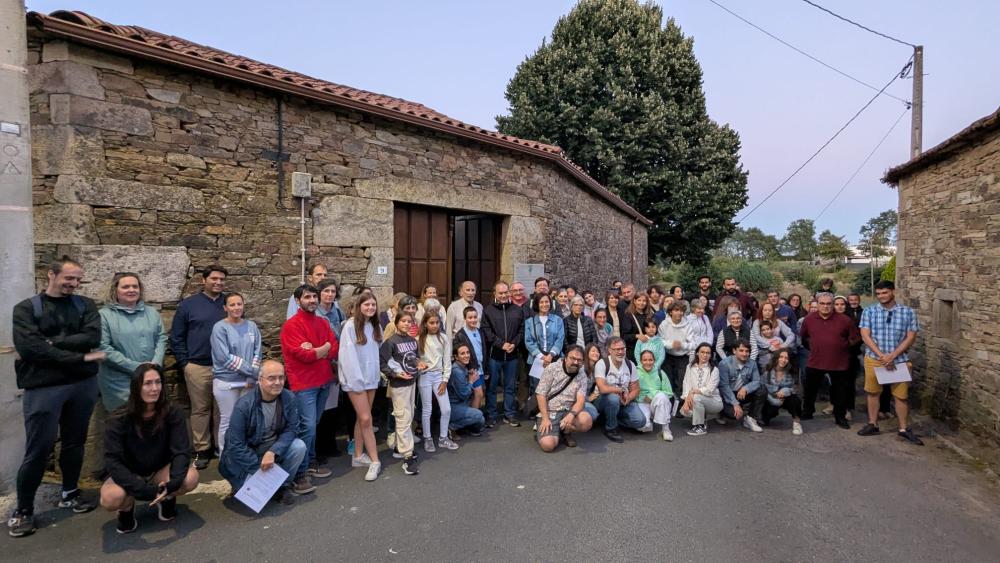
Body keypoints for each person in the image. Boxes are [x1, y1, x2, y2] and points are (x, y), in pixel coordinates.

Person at [9, 256, 105, 538]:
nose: (73, 284)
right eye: (68, 279)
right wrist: (79, 356)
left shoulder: (85, 305)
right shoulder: (26, 309)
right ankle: (24, 510)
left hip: (82, 385)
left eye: (77, 280)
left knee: (74, 443)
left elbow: (93, 337)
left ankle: (70, 492)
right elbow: (30, 350)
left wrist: (51, 344)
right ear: (51, 274)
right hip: (43, 388)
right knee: (38, 449)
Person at [100, 364, 199, 533]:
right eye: (147, 383)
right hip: (130, 472)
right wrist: (144, 491)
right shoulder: (118, 419)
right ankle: (126, 509)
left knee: (191, 478)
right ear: (136, 386)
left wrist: (171, 485)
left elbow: (181, 451)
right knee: (111, 498)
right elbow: (112, 461)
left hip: (160, 469)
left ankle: (166, 498)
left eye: (158, 382)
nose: (154, 388)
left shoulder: (173, 412)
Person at [219, 360, 314, 504]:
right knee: (251, 496)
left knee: (299, 446)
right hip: (248, 454)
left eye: (281, 377)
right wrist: (259, 467)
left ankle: (282, 485)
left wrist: (273, 452)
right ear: (260, 380)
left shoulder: (288, 398)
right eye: (272, 378)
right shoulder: (244, 405)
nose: (278, 382)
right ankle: (270, 482)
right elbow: (235, 445)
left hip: (271, 449)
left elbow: (292, 429)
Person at [280, 285, 339, 485]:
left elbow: (334, 349)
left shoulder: (323, 322)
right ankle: (300, 473)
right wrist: (322, 348)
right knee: (307, 427)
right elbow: (304, 355)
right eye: (307, 297)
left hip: (323, 381)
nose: (312, 300)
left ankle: (310, 462)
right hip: (304, 384)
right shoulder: (292, 325)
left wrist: (318, 349)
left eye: (314, 296)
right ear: (298, 301)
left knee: (312, 425)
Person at [170, 265, 227, 469]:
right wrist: (185, 363)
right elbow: (176, 337)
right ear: (204, 280)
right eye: (214, 278)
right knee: (200, 409)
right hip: (197, 365)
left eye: (221, 279)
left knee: (222, 409)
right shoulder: (189, 305)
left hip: (224, 367)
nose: (218, 282)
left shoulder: (229, 303)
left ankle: (221, 446)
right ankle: (202, 449)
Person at [857, 281, 923, 445]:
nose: (881, 296)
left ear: (893, 292)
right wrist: (882, 356)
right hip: (874, 358)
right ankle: (873, 424)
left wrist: (893, 355)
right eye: (878, 293)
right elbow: (865, 335)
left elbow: (911, 336)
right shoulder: (869, 311)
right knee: (873, 392)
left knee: (901, 396)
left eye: (885, 293)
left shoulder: (907, 312)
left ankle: (903, 429)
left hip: (899, 360)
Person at [98, 272, 167, 412]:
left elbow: (161, 338)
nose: (131, 290)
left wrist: (155, 364)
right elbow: (102, 347)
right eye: (126, 287)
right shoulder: (104, 315)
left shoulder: (151, 313)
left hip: (150, 378)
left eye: (135, 286)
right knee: (124, 422)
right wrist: (135, 367)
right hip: (119, 383)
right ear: (115, 290)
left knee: (151, 421)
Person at [338, 291, 384, 481]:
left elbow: (375, 351)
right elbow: (347, 356)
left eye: (373, 305)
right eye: (367, 305)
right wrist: (356, 382)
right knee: (367, 419)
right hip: (355, 380)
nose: (370, 308)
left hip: (371, 379)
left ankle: (358, 456)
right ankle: (375, 460)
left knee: (360, 418)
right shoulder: (350, 326)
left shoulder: (375, 326)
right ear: (359, 306)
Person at [211, 292, 262, 457]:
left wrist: (250, 377)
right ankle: (225, 455)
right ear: (225, 307)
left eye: (239, 304)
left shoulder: (252, 326)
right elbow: (224, 357)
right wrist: (253, 372)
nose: (236, 308)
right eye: (232, 305)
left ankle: (244, 453)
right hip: (226, 382)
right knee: (228, 419)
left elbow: (257, 352)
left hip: (248, 382)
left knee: (247, 419)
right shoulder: (220, 328)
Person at [798, 292, 859, 429]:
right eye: (822, 303)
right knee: (810, 389)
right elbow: (804, 337)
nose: (825, 306)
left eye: (828, 304)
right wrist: (814, 347)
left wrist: (843, 347)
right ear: (817, 304)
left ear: (833, 305)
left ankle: (840, 417)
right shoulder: (809, 319)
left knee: (840, 392)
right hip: (816, 360)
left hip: (839, 362)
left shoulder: (844, 320)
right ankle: (808, 412)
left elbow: (855, 338)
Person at [481, 281, 527, 428]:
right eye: (500, 293)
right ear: (495, 294)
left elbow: (522, 329)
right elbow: (486, 331)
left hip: (512, 355)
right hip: (495, 355)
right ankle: (491, 415)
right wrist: (501, 344)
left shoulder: (517, 310)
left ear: (509, 293)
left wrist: (514, 343)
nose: (503, 295)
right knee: (492, 387)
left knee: (510, 387)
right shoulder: (488, 311)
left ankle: (509, 414)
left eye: (505, 292)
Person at [380, 312, 421, 475]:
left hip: (412, 382)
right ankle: (407, 457)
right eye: (403, 321)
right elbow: (382, 363)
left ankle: (399, 446)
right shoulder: (390, 342)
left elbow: (414, 358)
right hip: (399, 385)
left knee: (409, 415)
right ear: (396, 323)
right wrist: (395, 374)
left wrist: (420, 364)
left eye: (409, 322)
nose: (406, 324)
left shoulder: (412, 341)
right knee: (403, 417)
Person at [535, 345, 594, 452]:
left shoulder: (582, 374)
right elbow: (540, 394)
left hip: (568, 411)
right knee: (548, 446)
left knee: (586, 421)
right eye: (573, 358)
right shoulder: (552, 368)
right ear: (566, 357)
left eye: (579, 360)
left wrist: (572, 414)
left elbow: (580, 400)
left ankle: (565, 432)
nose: (576, 362)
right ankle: (550, 431)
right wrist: (545, 418)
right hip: (550, 411)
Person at [416, 312, 458, 452]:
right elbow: (414, 359)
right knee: (427, 409)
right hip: (425, 376)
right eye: (431, 323)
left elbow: (447, 361)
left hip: (438, 377)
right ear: (425, 324)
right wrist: (419, 365)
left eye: (437, 322)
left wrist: (445, 380)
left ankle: (443, 438)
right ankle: (427, 438)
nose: (434, 325)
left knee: (446, 409)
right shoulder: (419, 339)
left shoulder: (444, 338)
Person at [593, 337, 647, 442]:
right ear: (609, 350)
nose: (620, 352)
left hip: (623, 401)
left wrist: (629, 398)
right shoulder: (602, 363)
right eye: (617, 349)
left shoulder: (630, 364)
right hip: (603, 401)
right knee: (613, 398)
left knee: (640, 421)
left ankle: (609, 419)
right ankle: (610, 428)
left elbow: (636, 388)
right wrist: (621, 391)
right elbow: (602, 389)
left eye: (623, 349)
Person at [717, 340, 765, 432]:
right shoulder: (724, 364)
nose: (744, 354)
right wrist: (735, 403)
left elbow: (756, 381)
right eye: (741, 350)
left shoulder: (752, 363)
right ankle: (721, 412)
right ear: (734, 351)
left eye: (747, 351)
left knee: (762, 389)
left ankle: (750, 419)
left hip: (741, 393)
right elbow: (724, 386)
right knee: (734, 415)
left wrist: (745, 388)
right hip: (728, 395)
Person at [524, 294, 565, 400]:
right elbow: (528, 341)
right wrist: (542, 356)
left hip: (555, 358)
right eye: (541, 302)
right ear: (537, 304)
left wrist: (550, 355)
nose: (544, 304)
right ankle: (536, 411)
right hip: (536, 360)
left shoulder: (558, 320)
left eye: (547, 302)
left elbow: (560, 339)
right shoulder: (530, 321)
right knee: (537, 388)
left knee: (555, 386)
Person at [680, 343, 723, 436]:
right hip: (696, 398)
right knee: (685, 411)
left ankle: (700, 426)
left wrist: (693, 392)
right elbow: (686, 383)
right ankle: (702, 418)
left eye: (708, 353)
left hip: (714, 402)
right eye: (702, 352)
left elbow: (709, 390)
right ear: (697, 353)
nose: (705, 355)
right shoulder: (690, 367)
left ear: (711, 355)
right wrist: (686, 399)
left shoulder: (714, 369)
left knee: (696, 398)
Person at [761, 349, 803, 435]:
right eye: (781, 357)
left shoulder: (793, 372)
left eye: (786, 358)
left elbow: (796, 388)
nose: (783, 360)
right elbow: (761, 388)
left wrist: (786, 391)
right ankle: (765, 416)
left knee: (795, 400)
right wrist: (774, 401)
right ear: (776, 358)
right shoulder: (767, 371)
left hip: (786, 397)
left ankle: (797, 422)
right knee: (767, 416)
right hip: (771, 398)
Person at [448, 343, 486, 436]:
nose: (466, 355)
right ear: (456, 357)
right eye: (462, 353)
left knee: (481, 421)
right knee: (478, 415)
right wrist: (471, 381)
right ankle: (451, 426)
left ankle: (462, 427)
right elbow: (464, 394)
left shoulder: (463, 367)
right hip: (453, 406)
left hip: (462, 404)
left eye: (467, 352)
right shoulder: (456, 371)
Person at [636, 350, 675, 441]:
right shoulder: (636, 372)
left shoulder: (660, 373)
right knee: (644, 427)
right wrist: (643, 398)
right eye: (645, 360)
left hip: (657, 402)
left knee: (662, 396)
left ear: (654, 361)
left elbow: (669, 393)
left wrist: (652, 395)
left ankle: (666, 429)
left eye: (650, 360)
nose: (648, 362)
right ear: (641, 361)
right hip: (642, 402)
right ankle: (648, 421)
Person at [452, 307, 486, 409]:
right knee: (478, 394)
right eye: (470, 317)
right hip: (472, 369)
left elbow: (483, 350)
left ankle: (475, 415)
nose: (473, 320)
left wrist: (486, 368)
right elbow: (460, 354)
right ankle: (474, 418)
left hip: (480, 368)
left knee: (479, 394)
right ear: (464, 319)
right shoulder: (460, 334)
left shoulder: (480, 332)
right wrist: (470, 368)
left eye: (475, 317)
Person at [658, 302, 693, 393]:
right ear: (670, 312)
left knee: (681, 382)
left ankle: (679, 403)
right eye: (676, 310)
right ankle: (669, 401)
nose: (679, 313)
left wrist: (681, 345)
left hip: (683, 357)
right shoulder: (664, 324)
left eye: (681, 311)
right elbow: (660, 340)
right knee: (668, 381)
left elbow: (693, 344)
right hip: (667, 356)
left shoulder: (687, 325)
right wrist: (671, 344)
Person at [620, 292, 651, 360]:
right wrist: (637, 336)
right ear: (634, 301)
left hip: (647, 349)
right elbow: (624, 336)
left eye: (644, 301)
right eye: (639, 300)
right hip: (633, 351)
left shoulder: (649, 315)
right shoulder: (628, 316)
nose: (641, 303)